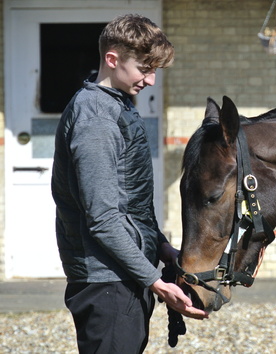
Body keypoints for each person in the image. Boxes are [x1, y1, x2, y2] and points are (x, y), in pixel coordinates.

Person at [51, 14, 208, 353]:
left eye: (155, 71)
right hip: (106, 281)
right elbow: (104, 219)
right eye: (145, 69)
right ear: (113, 59)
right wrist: (156, 284)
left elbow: (129, 204)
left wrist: (164, 250)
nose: (151, 81)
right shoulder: (95, 118)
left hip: (123, 275)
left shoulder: (115, 105)